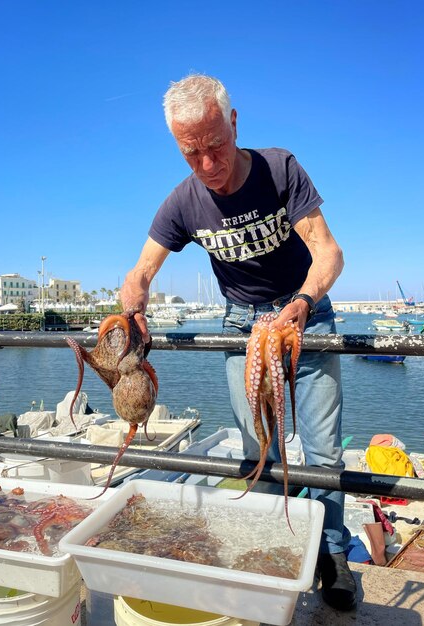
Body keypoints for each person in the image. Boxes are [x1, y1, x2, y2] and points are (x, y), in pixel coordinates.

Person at [120, 74, 356, 611]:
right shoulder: (182, 202)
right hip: (239, 326)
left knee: (322, 449)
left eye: (216, 146)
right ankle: (273, 546)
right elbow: (141, 270)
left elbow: (329, 252)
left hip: (305, 316)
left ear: (233, 122)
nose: (207, 165)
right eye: (191, 153)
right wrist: (134, 299)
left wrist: (303, 302)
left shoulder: (280, 169)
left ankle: (333, 557)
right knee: (259, 450)